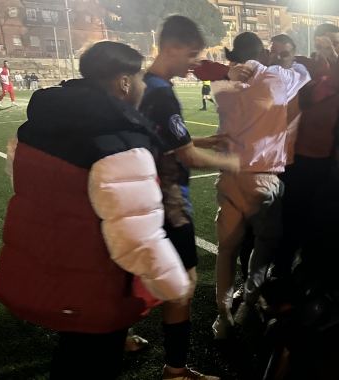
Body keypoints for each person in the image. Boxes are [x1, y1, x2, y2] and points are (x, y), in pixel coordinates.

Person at [0, 41, 191, 380]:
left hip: (51, 272)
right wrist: (177, 288)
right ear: (124, 82)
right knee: (93, 363)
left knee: (70, 359)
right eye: (140, 77)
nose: (144, 85)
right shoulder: (120, 141)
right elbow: (137, 238)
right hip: (94, 285)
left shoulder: (40, 125)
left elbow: (33, 191)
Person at [138, 16, 241, 380]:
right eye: (192, 54)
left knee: (133, 274)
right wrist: (233, 161)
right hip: (170, 203)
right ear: (171, 47)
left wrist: (203, 140)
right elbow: (188, 158)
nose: (195, 63)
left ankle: (120, 335)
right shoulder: (162, 93)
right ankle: (176, 372)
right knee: (183, 285)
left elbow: (161, 141)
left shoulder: (141, 85)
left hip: (143, 199)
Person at [195, 32, 311, 337]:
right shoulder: (277, 77)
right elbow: (305, 72)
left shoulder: (222, 84)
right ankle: (248, 302)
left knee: (226, 250)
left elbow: (198, 67)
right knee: (264, 245)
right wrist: (282, 58)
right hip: (263, 177)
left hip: (230, 176)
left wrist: (224, 68)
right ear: (263, 53)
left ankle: (223, 318)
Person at [275, 23, 339, 278]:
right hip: (296, 160)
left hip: (328, 162)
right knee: (290, 222)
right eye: (329, 43)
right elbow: (267, 60)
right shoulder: (304, 66)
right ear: (316, 44)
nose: (336, 47)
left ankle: (309, 275)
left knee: (320, 222)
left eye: (338, 43)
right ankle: (278, 277)